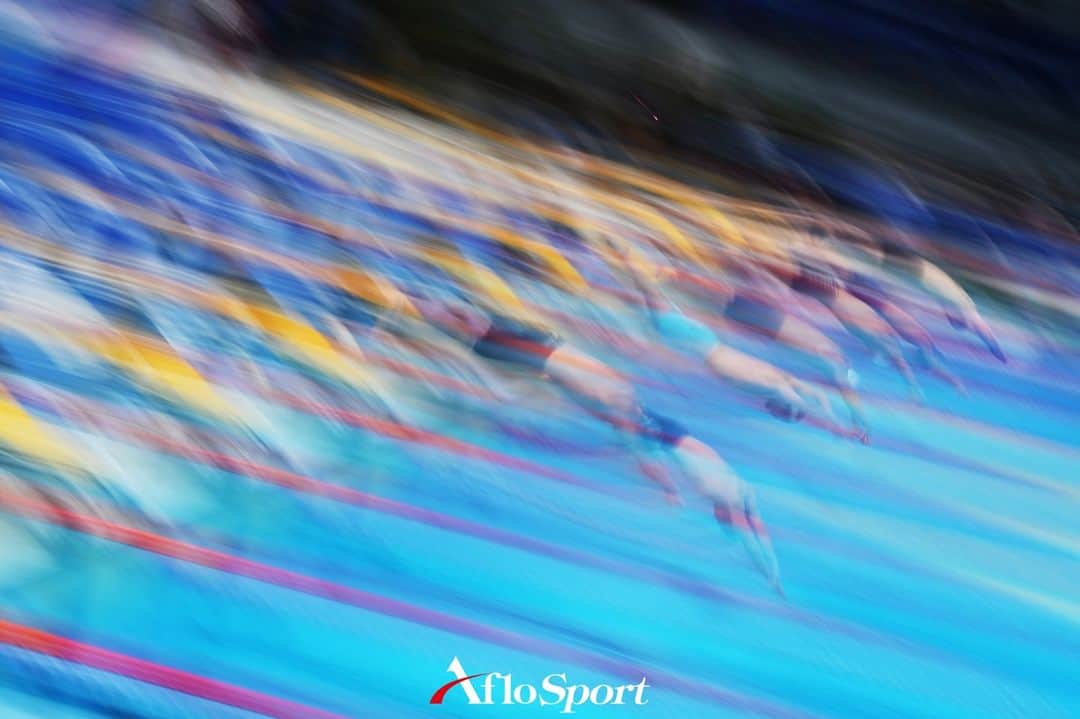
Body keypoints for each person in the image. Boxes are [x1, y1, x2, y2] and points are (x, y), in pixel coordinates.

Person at [403, 293, 784, 594]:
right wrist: (665, 487)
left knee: (475, 325)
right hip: (543, 359)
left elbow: (749, 524)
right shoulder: (673, 451)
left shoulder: (691, 453)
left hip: (550, 347)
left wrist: (769, 571)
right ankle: (409, 302)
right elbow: (639, 448)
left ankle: (416, 300)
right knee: (473, 330)